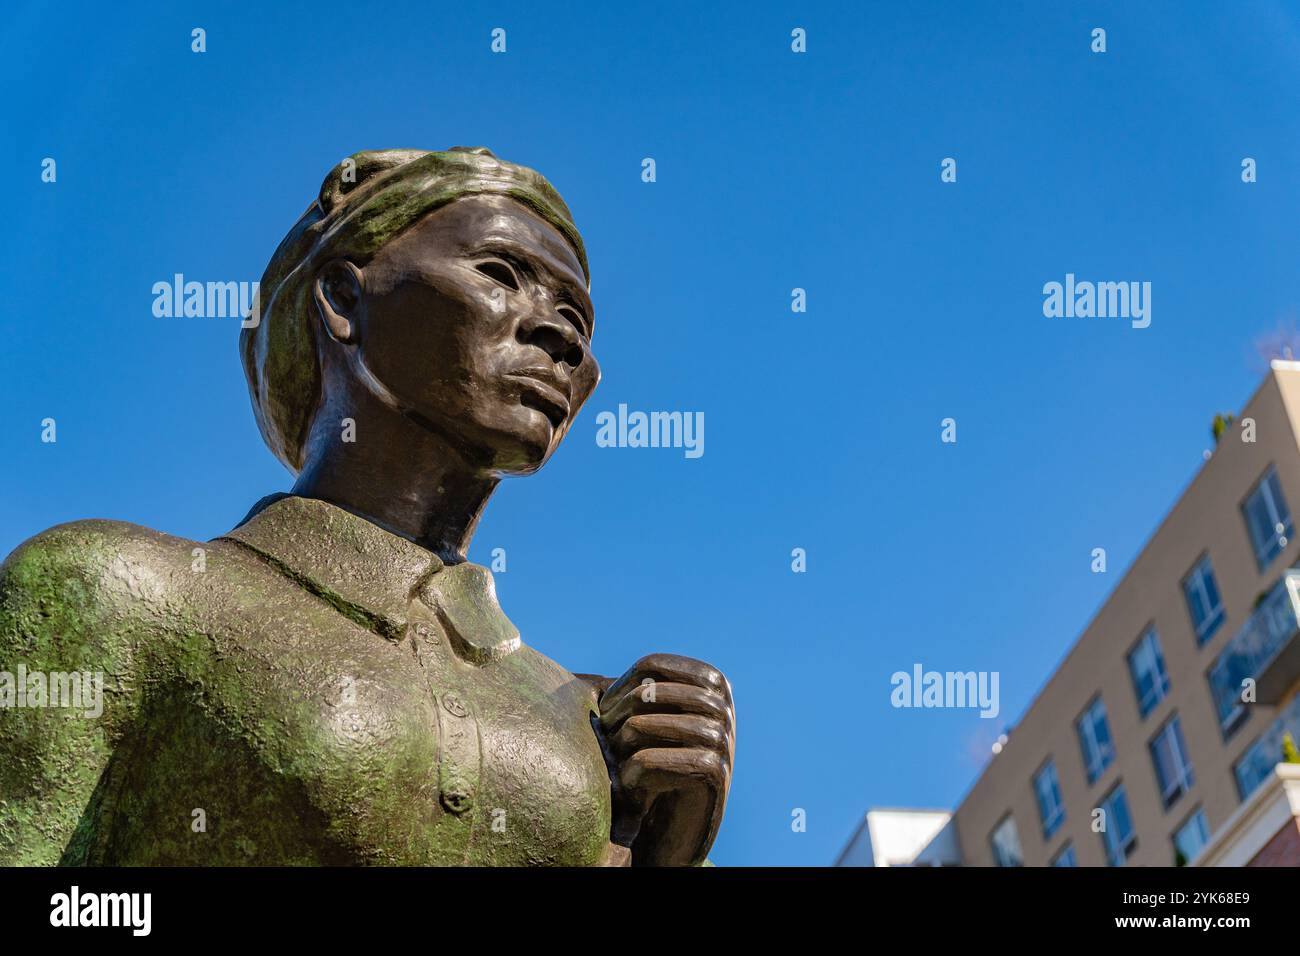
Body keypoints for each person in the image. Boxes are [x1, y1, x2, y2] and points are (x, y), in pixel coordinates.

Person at [0, 147, 734, 866]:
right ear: (343, 300)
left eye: (576, 315)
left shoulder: (578, 723)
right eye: (502, 275)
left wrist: (658, 845)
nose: (562, 336)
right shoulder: (121, 591)